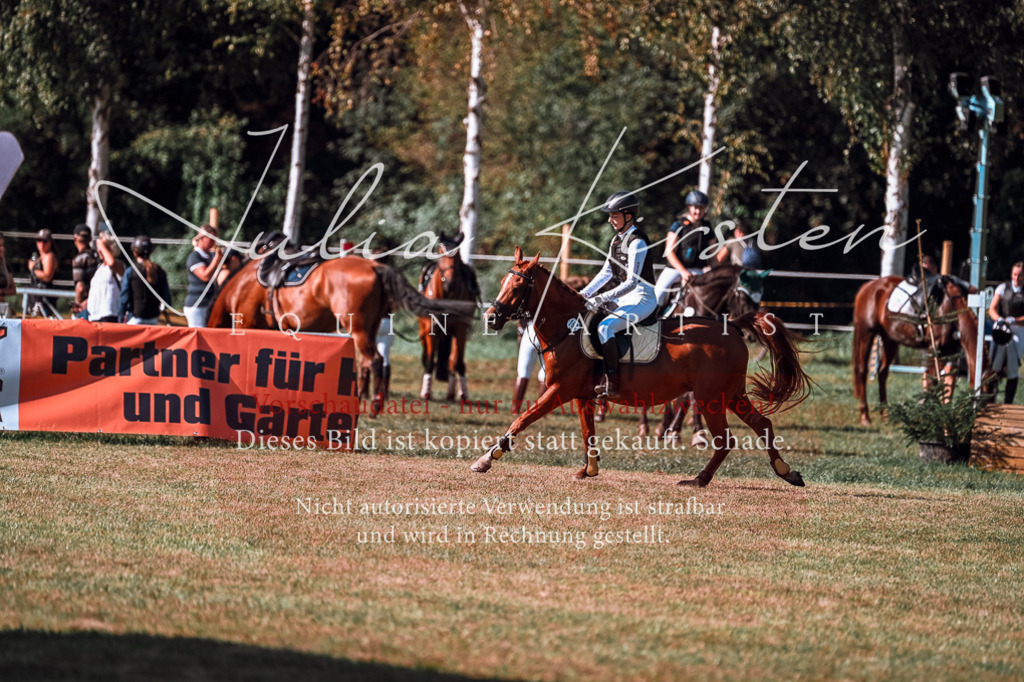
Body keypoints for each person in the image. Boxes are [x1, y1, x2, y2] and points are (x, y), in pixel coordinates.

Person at [579, 191, 657, 399]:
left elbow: (632, 282)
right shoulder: (616, 240)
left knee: (605, 327)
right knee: (592, 319)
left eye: (614, 215)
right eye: (610, 215)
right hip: (625, 297)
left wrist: (601, 298)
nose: (610, 220)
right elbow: (606, 273)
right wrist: (582, 294)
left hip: (642, 298)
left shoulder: (637, 242)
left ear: (628, 216)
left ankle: (612, 383)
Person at [654, 190, 712, 309]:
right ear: (689, 207)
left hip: (698, 270)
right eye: (695, 207)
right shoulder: (678, 225)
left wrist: (713, 270)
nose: (698, 211)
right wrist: (683, 271)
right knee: (657, 294)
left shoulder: (708, 227)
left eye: (701, 208)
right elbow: (669, 252)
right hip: (675, 270)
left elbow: (713, 253)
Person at [989, 261, 1024, 404]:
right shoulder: (1003, 288)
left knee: (1012, 364)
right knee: (995, 362)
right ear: (1011, 274)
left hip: (1018, 329)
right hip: (1002, 328)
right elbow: (992, 308)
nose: (1017, 278)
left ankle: (1008, 401)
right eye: (1015, 275)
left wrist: (1014, 320)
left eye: (1020, 275)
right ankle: (991, 397)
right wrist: (999, 319)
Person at [119, 235, 171, 325]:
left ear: (135, 252)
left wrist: (120, 320)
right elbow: (167, 300)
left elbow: (124, 299)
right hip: (153, 320)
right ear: (151, 251)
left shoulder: (131, 271)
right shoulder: (160, 271)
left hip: (135, 318)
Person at [184, 224, 224, 327]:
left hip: (209, 304)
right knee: (199, 337)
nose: (213, 242)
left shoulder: (210, 256)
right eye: (211, 239)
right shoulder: (194, 257)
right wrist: (216, 261)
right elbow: (205, 276)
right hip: (197, 305)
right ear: (202, 238)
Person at [86, 231, 123, 323]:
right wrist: (83, 305)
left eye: (103, 248)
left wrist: (102, 245)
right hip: (94, 316)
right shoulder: (100, 268)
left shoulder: (119, 265)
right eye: (98, 248)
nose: (99, 251)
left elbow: (111, 263)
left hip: (109, 315)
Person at [513, 319, 546, 413]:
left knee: (523, 373)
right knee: (544, 374)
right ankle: (540, 410)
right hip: (549, 334)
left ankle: (515, 409)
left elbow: (521, 317)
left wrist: (521, 330)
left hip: (531, 331)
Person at [26, 228, 58, 315]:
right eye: (39, 240)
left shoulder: (49, 256)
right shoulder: (40, 257)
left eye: (44, 241)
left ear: (50, 242)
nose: (41, 244)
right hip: (34, 297)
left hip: (44, 300)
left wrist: (33, 269)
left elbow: (47, 276)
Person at [70, 224, 99, 319]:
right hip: (99, 303)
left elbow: (80, 287)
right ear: (90, 238)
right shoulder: (98, 256)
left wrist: (78, 305)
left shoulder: (79, 259)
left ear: (75, 238)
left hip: (85, 306)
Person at [0, 233, 17, 310]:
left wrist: (3, 292)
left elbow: (13, 290)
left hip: (3, 307)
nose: (2, 248)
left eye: (2, 245)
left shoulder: (6, 267)